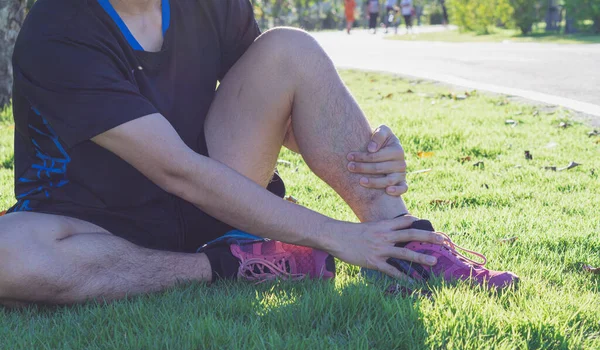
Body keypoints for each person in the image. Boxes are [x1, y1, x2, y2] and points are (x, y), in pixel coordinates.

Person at [0, 0, 518, 306]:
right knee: (8, 255)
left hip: (221, 197)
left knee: (290, 48)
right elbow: (176, 170)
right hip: (102, 227)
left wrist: (367, 154)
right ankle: (233, 265)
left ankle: (408, 247)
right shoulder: (58, 33)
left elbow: (279, 100)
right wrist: (337, 237)